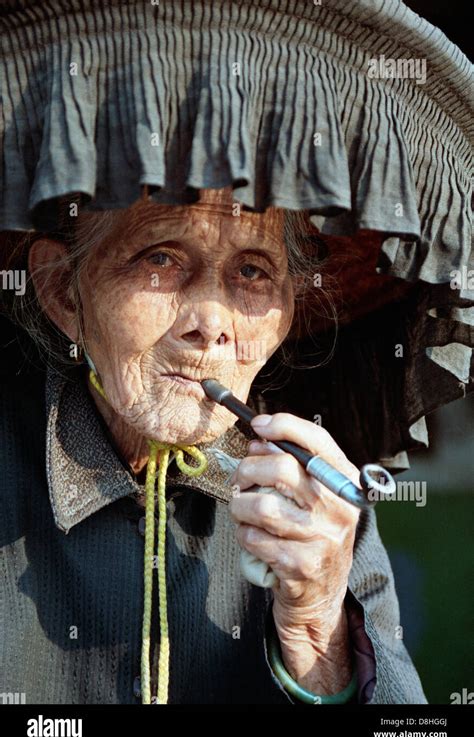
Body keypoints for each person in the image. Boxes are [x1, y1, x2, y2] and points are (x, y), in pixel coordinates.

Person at [0, 187, 427, 704]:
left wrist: (318, 627)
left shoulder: (319, 502)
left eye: (251, 271)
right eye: (160, 259)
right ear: (65, 293)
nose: (212, 326)